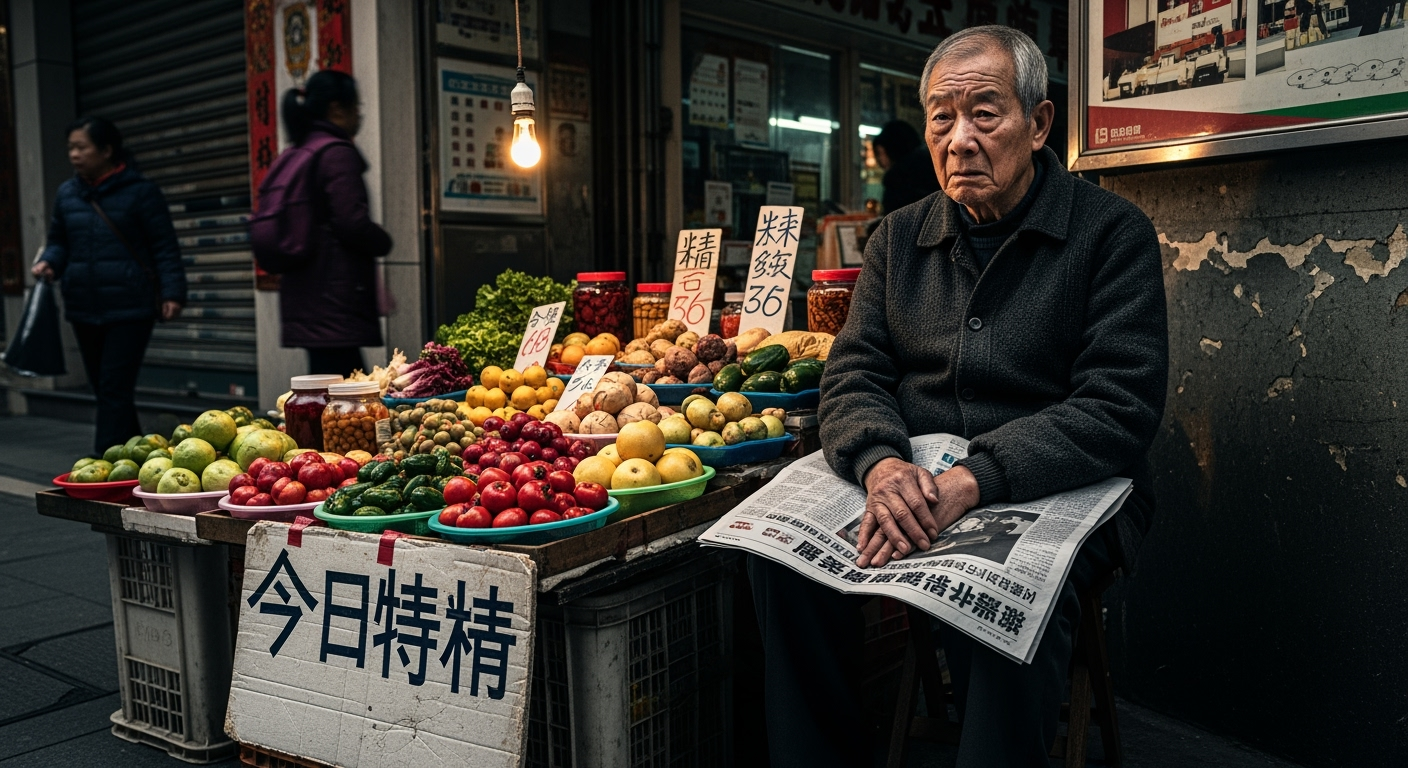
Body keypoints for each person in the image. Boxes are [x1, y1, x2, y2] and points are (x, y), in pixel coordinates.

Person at [749, 26, 1168, 767]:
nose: (960, 138)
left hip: (1059, 479)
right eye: (942, 117)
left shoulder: (1111, 234)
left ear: (1037, 125)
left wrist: (974, 481)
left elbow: (1118, 406)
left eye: (985, 113)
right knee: (778, 561)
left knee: (1010, 601)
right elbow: (854, 373)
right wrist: (881, 465)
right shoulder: (897, 238)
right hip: (916, 466)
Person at [31, 116, 186, 454]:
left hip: (130, 306)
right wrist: (50, 262)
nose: (73, 154)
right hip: (83, 305)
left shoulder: (141, 192)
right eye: (70, 147)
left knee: (114, 387)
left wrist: (173, 292)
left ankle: (103, 461)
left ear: (106, 149)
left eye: (81, 147)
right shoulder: (68, 193)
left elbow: (164, 246)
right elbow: (59, 240)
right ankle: (137, 454)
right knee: (106, 389)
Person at [275, 69, 392, 377]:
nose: (359, 115)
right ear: (337, 108)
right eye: (356, 107)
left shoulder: (298, 151)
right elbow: (351, 222)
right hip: (334, 298)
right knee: (349, 399)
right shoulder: (336, 152)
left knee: (328, 388)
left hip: (308, 296)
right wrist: (383, 241)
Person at [871, 120, 940, 214]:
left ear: (891, 149)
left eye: (880, 153)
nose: (879, 160)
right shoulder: (935, 164)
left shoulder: (896, 178)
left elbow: (891, 220)